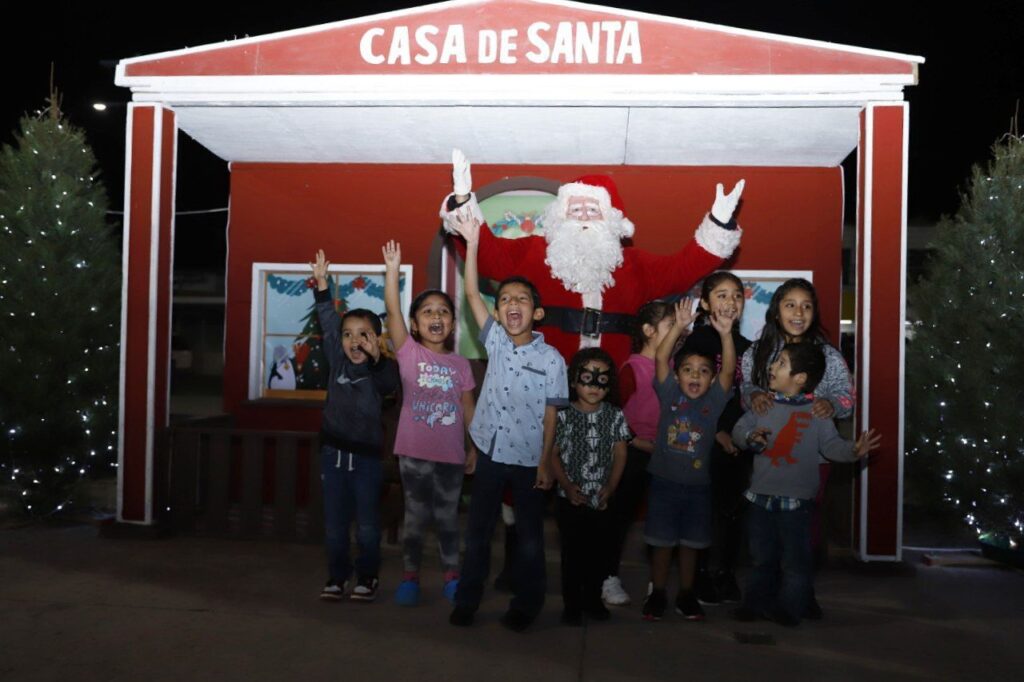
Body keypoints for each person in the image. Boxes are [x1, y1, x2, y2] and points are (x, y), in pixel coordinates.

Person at [440, 149, 745, 366]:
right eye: (575, 210)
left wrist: (719, 223)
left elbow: (683, 268)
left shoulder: (635, 265)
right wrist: (465, 202)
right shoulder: (534, 253)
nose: (583, 217)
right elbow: (488, 256)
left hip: (610, 392)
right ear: (560, 217)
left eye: (592, 210)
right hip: (543, 383)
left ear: (611, 220)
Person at [447, 212, 569, 632]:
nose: (512, 304)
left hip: (528, 459)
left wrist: (546, 461)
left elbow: (553, 412)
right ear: (497, 314)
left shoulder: (552, 360)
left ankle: (527, 605)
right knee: (478, 533)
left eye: (522, 299)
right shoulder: (495, 340)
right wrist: (474, 245)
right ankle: (467, 601)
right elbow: (470, 293)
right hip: (489, 452)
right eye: (505, 300)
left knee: (531, 539)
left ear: (537, 313)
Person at [732, 342, 879, 626]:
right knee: (761, 558)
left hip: (797, 503)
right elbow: (739, 429)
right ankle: (754, 604)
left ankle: (790, 609)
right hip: (761, 498)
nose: (772, 368)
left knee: (795, 562)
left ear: (799, 378)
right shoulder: (764, 404)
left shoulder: (817, 413)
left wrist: (853, 450)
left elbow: (831, 446)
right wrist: (750, 437)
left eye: (781, 363)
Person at [739, 277, 854, 617]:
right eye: (790, 305)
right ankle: (767, 593)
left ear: (814, 312)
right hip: (768, 454)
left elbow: (848, 398)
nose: (798, 312)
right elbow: (744, 389)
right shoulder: (757, 353)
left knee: (803, 533)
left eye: (806, 305)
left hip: (813, 458)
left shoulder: (829, 356)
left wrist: (833, 403)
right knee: (765, 533)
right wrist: (753, 395)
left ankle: (801, 594)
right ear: (776, 312)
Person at [382, 240, 477, 607]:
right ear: (415, 324)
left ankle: (452, 576)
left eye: (443, 312)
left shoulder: (461, 365)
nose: (436, 317)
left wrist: (474, 447)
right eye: (427, 312)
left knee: (449, 520)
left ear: (452, 323)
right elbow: (391, 310)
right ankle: (410, 577)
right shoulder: (409, 353)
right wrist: (392, 272)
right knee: (416, 519)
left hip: (452, 456)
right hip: (413, 454)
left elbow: (468, 406)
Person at [310, 249, 399, 603]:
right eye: (349, 335)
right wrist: (321, 285)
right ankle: (336, 576)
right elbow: (327, 319)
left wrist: (378, 359)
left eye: (363, 335)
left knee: (366, 525)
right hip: (333, 455)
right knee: (334, 526)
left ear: (377, 341)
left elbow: (390, 383)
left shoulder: (380, 371)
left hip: (366, 461)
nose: (354, 341)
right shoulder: (336, 359)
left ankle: (367, 576)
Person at [643, 298, 736, 622]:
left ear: (712, 380)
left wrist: (726, 333)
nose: (695, 376)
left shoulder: (713, 401)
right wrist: (679, 326)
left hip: (698, 489)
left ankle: (686, 593)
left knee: (691, 545)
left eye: (702, 371)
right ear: (677, 375)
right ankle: (657, 593)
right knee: (661, 543)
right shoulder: (670, 394)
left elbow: (728, 370)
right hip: (664, 486)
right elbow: (660, 357)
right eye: (687, 370)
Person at [680, 272, 752, 605]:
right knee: (702, 511)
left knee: (732, 510)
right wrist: (717, 432)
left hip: (739, 443)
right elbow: (690, 397)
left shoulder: (749, 348)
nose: (730, 302)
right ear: (706, 303)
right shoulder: (697, 343)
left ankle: (724, 572)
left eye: (736, 295)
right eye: (721, 295)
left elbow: (750, 396)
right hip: (705, 439)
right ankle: (698, 576)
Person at [601, 299, 675, 606]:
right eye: (671, 326)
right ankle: (607, 577)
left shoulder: (674, 368)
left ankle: (656, 584)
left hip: (665, 455)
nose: (677, 333)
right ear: (648, 330)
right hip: (632, 454)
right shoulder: (632, 369)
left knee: (662, 520)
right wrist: (636, 442)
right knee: (619, 516)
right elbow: (613, 415)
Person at [550, 348, 631, 625]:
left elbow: (621, 452)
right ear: (574, 381)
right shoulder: (562, 416)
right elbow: (553, 453)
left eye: (602, 380)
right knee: (572, 554)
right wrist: (567, 486)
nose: (594, 386)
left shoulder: (615, 416)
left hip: (602, 498)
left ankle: (593, 600)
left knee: (598, 553)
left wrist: (611, 486)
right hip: (569, 498)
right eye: (587, 378)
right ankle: (572, 605)